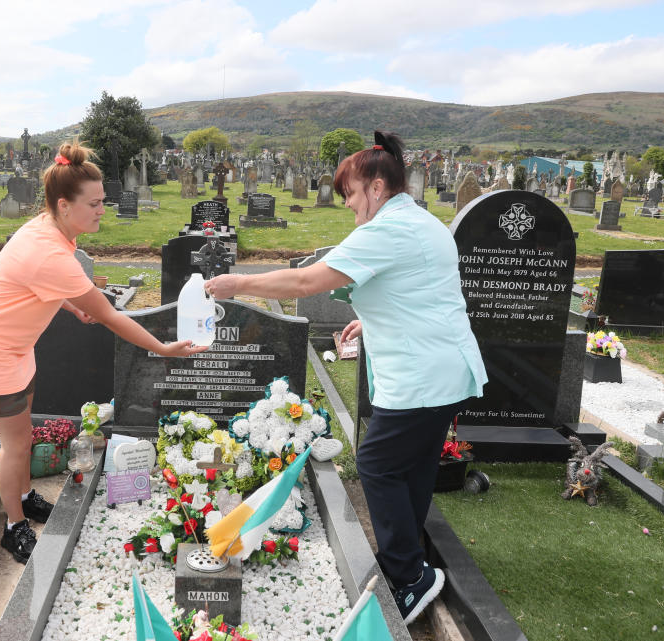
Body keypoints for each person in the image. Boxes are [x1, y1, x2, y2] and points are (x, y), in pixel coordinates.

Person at [205, 131, 487, 624]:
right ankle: (410, 558)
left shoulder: (388, 229)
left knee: (377, 462)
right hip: (444, 368)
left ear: (377, 187)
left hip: (422, 374)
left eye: (352, 195)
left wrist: (239, 284)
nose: (351, 206)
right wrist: (370, 319)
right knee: (415, 465)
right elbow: (417, 289)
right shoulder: (420, 221)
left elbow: (305, 281)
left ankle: (411, 577)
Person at [0, 142, 207, 564]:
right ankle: (14, 526)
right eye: (95, 203)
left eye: (104, 201)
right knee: (14, 445)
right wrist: (162, 348)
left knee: (23, 435)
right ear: (65, 205)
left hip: (15, 349)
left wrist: (67, 302)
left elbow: (28, 282)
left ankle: (26, 494)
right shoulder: (49, 250)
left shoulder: (47, 227)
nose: (103, 209)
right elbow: (108, 315)